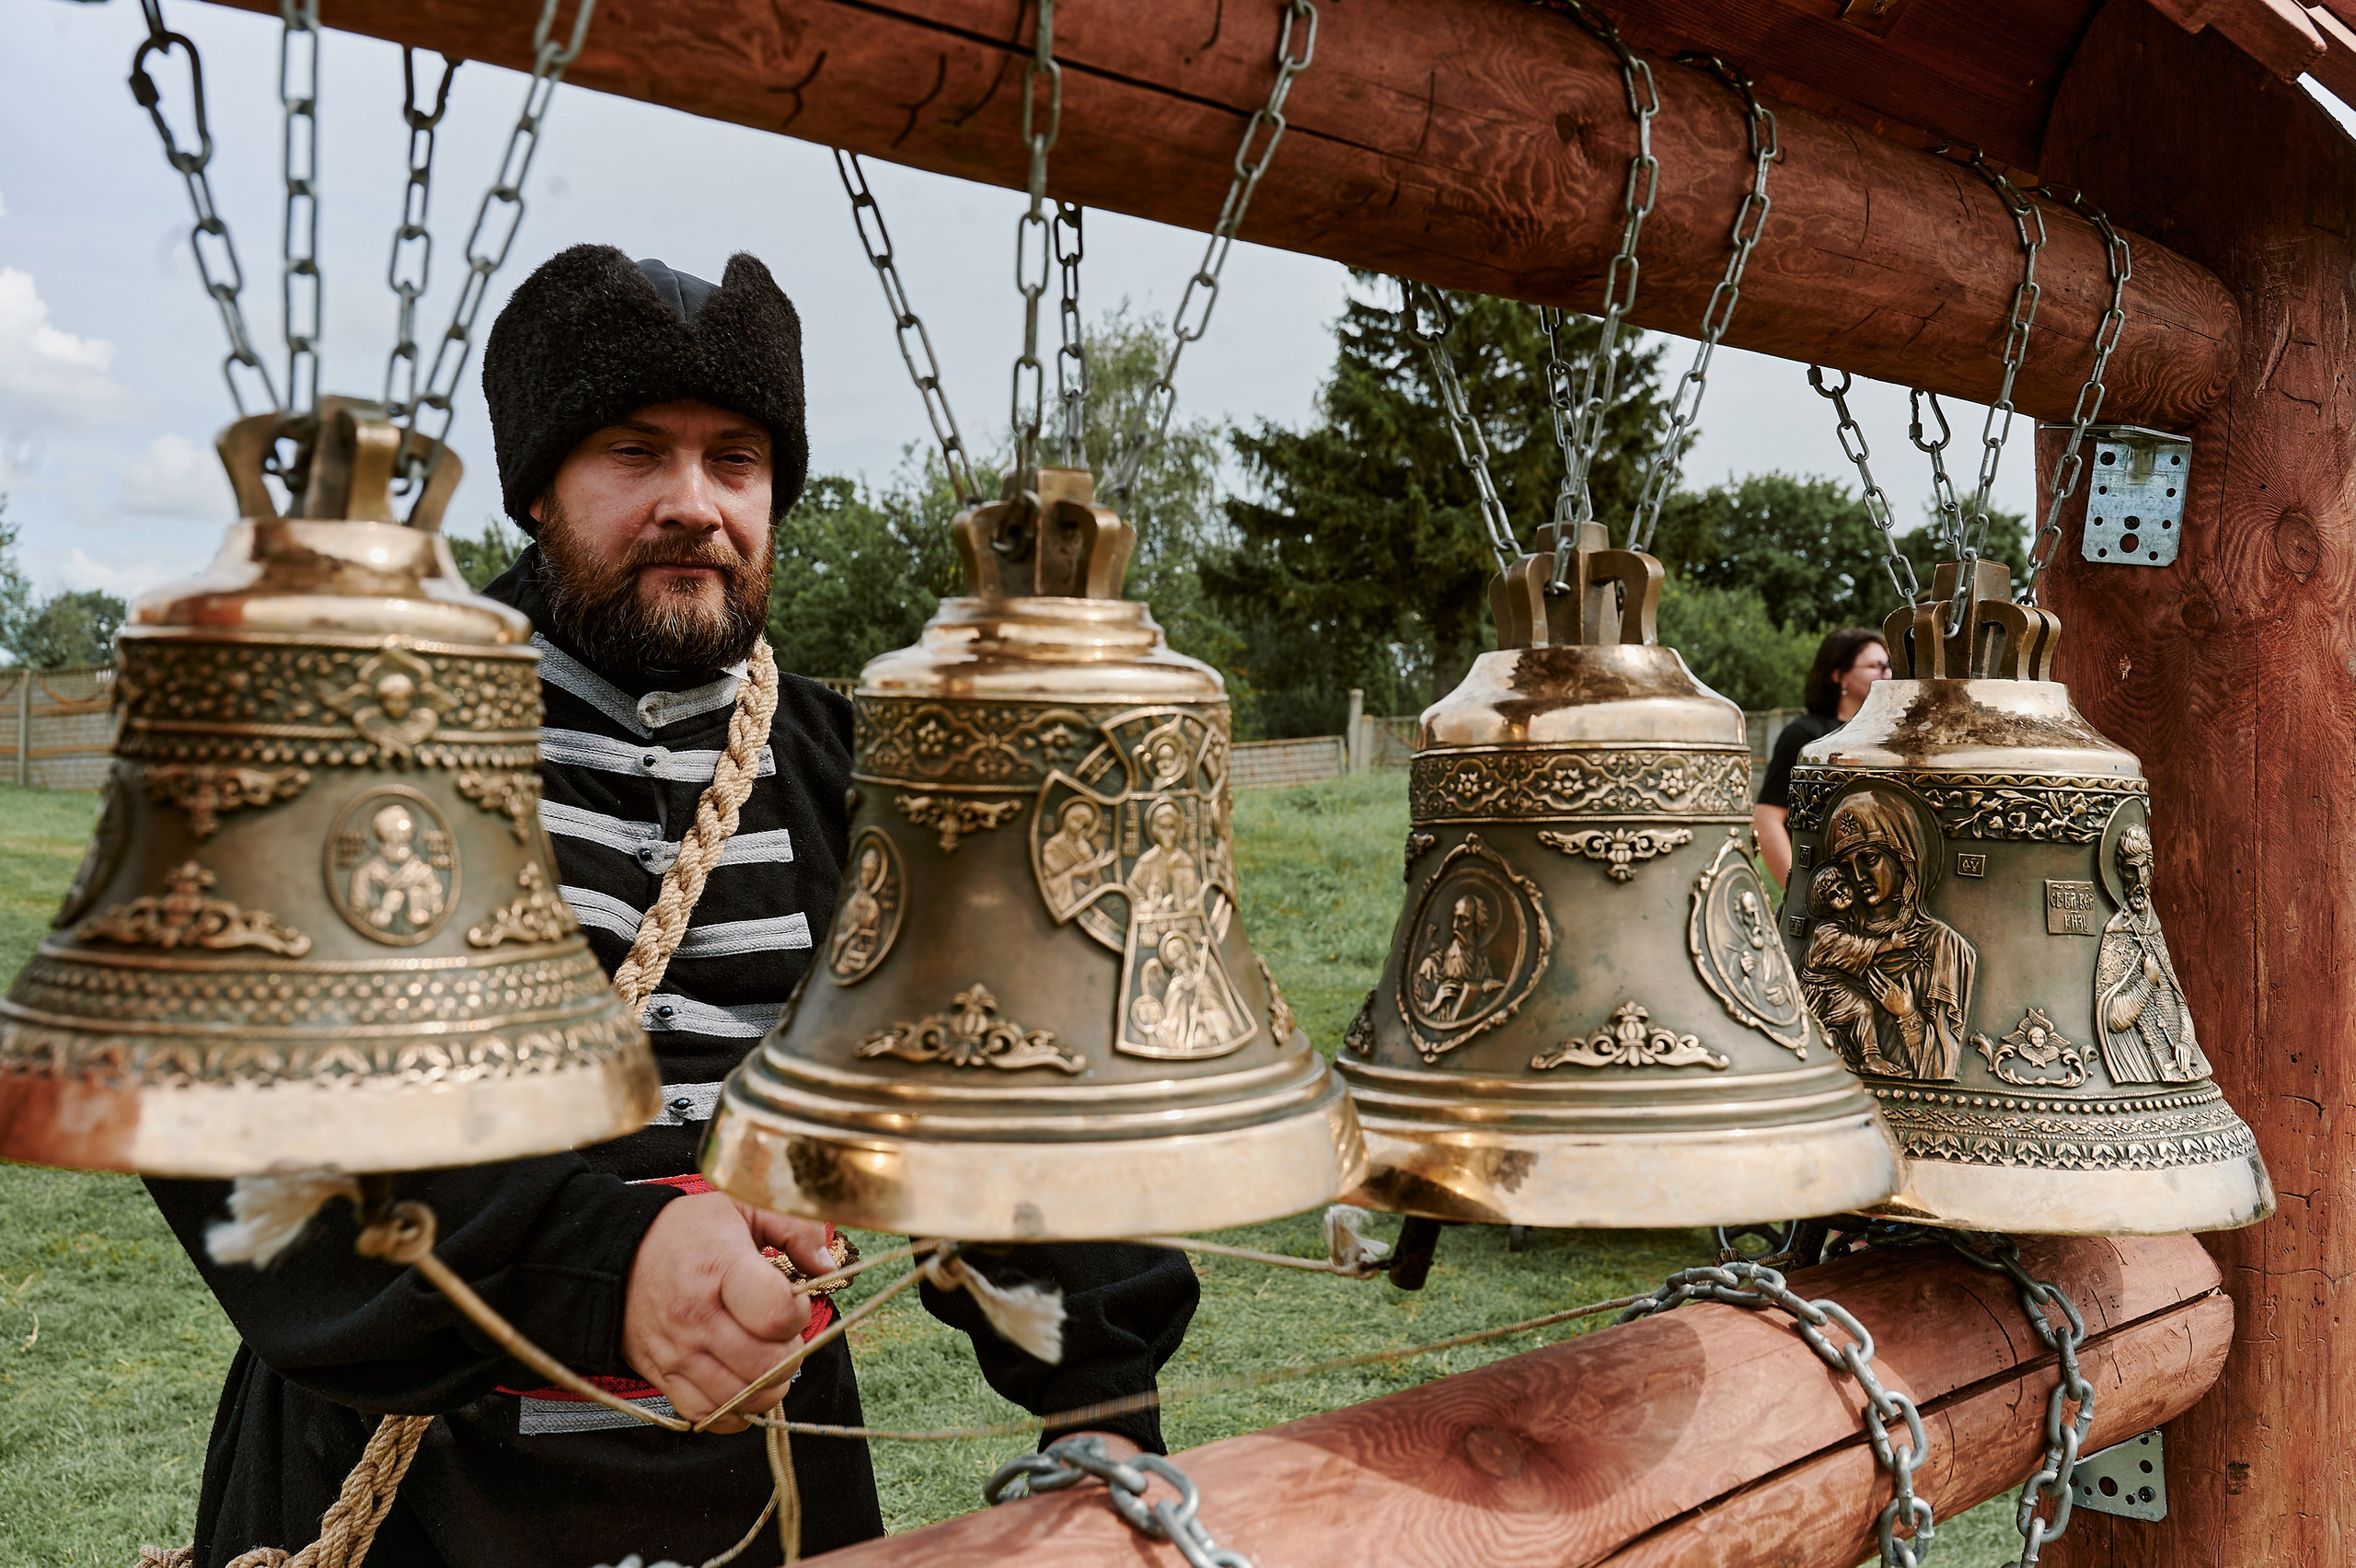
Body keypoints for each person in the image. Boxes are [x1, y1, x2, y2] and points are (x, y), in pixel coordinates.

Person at [146, 248, 1197, 1568]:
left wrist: (1101, 1411)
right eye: (635, 453)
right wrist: (604, 1264)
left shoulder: (851, 772)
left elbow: (1003, 1111)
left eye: (736, 461)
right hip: (412, 1489)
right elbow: (247, 1127)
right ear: (537, 491)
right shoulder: (379, 745)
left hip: (769, 1488)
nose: (692, 504)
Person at [1751, 627, 1891, 886]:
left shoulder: (1889, 737)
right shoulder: (1803, 735)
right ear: (1839, 675)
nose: (1888, 674)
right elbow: (1767, 819)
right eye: (1876, 665)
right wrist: (1802, 894)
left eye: (1888, 664)